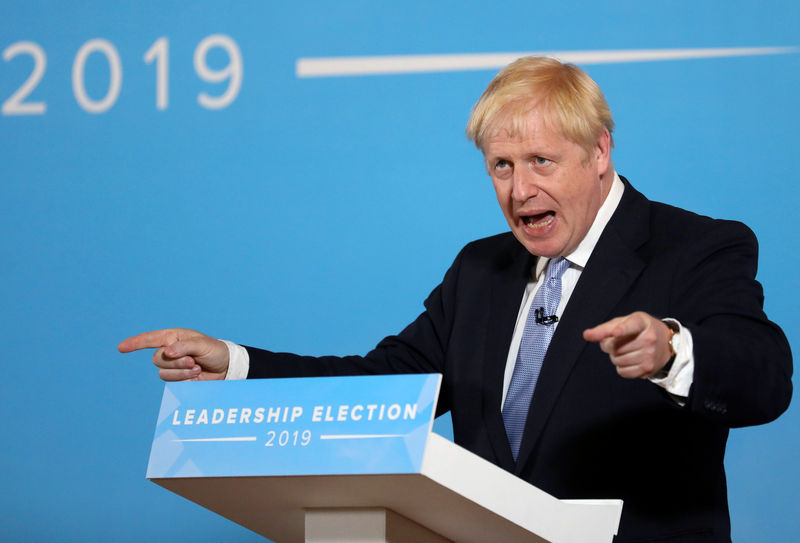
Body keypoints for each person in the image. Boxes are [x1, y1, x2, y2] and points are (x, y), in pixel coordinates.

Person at [119, 57, 792, 542]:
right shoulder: (481, 269)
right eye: (501, 166)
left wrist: (674, 350)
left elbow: (765, 373)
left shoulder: (694, 246)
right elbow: (386, 384)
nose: (519, 191)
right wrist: (236, 364)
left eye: (540, 162)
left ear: (599, 152)